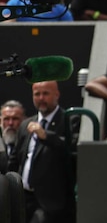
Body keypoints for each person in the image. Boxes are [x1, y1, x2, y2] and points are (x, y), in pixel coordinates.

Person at [13, 82, 75, 222]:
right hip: (23, 198)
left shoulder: (69, 119)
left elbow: (71, 149)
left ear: (57, 95)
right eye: (37, 94)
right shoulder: (25, 124)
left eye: (46, 93)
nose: (41, 98)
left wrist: (46, 135)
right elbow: (15, 159)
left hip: (52, 203)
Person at [1, 100, 24, 174]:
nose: (10, 123)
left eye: (15, 119)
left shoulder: (29, 146)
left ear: (24, 121)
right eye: (6, 119)